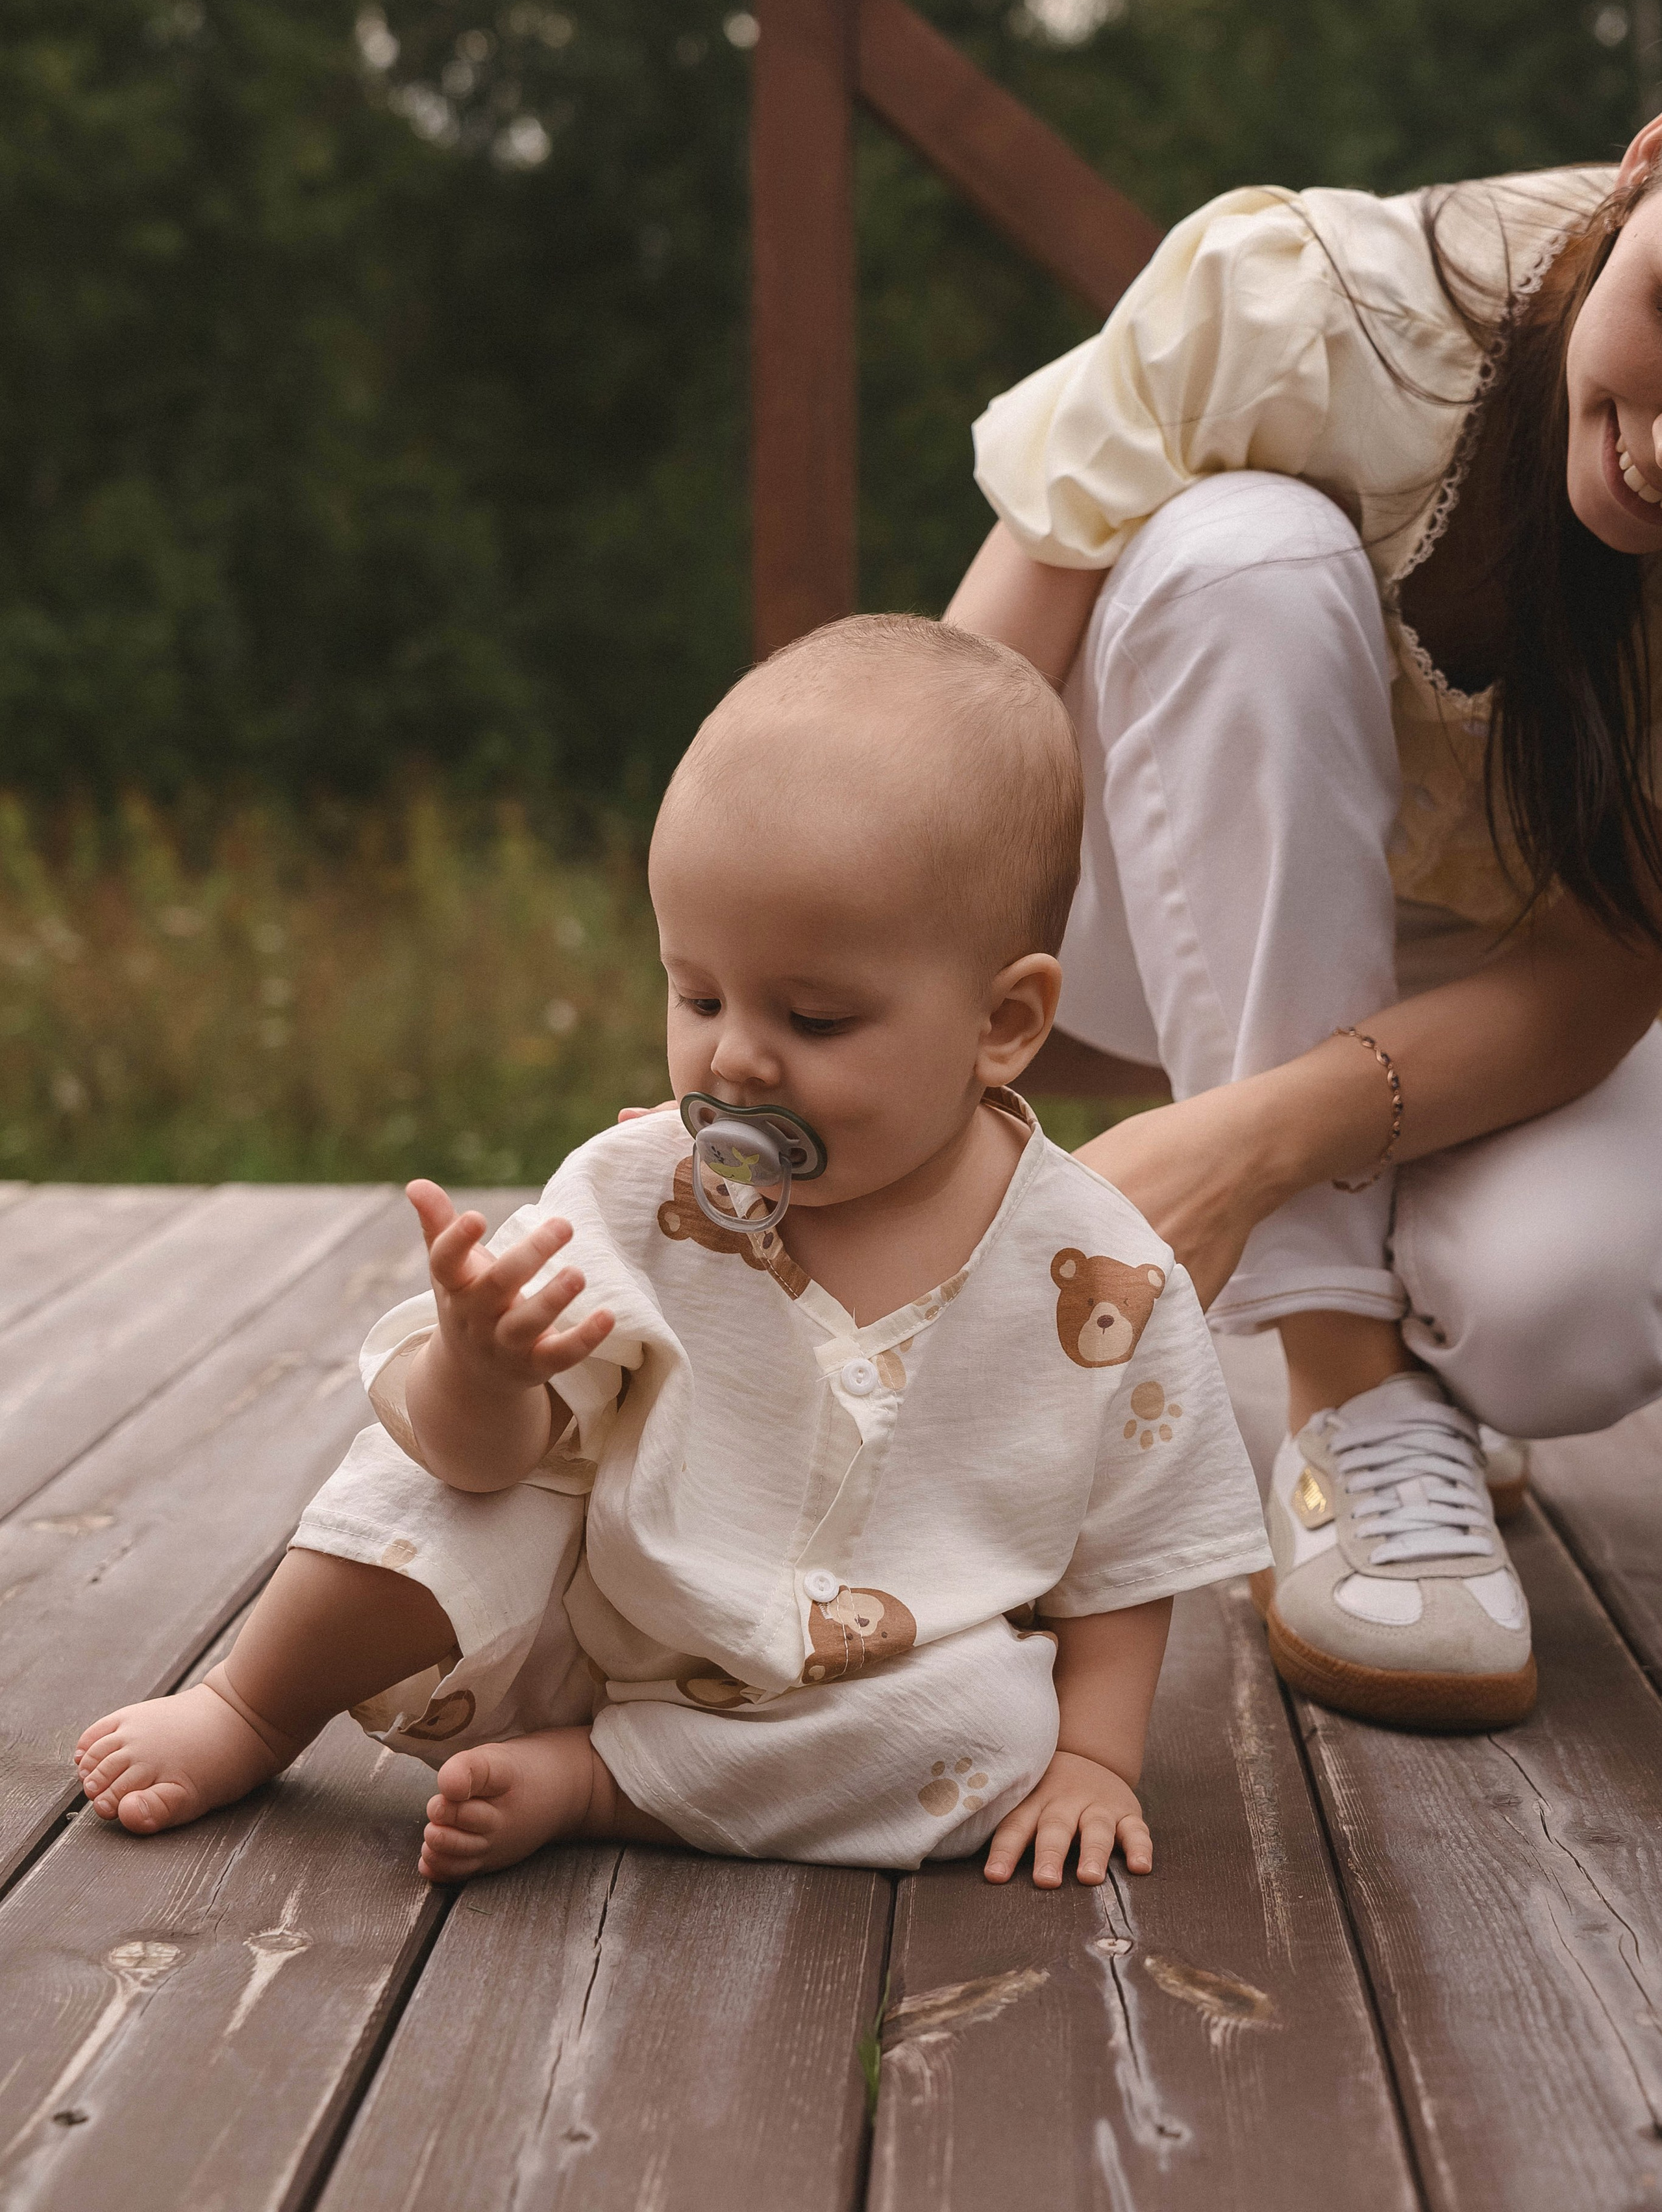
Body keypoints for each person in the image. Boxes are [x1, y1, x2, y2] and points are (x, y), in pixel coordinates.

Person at [73, 617, 1270, 1887]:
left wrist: (1096, 1754)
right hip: (589, 1613)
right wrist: (485, 1373)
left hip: (854, 1683)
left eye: (812, 1016)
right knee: (429, 1500)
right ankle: (257, 1704)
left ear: (1003, 1020)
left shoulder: (1102, 1269)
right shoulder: (640, 1192)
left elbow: (1130, 1552)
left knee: (989, 1731)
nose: (736, 1057)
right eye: (697, 995)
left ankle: (607, 1784)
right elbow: (489, 1458)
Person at [947, 118, 1662, 1730]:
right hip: (1172, 885)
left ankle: (1411, 1361)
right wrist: (825, 1044)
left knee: (1568, 1312)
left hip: (1520, 988)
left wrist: (1243, 1147)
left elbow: (1611, 962)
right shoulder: (1305, 301)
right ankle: (1342, 1382)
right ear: (1646, 165)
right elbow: (961, 716)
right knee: (1234, 559)